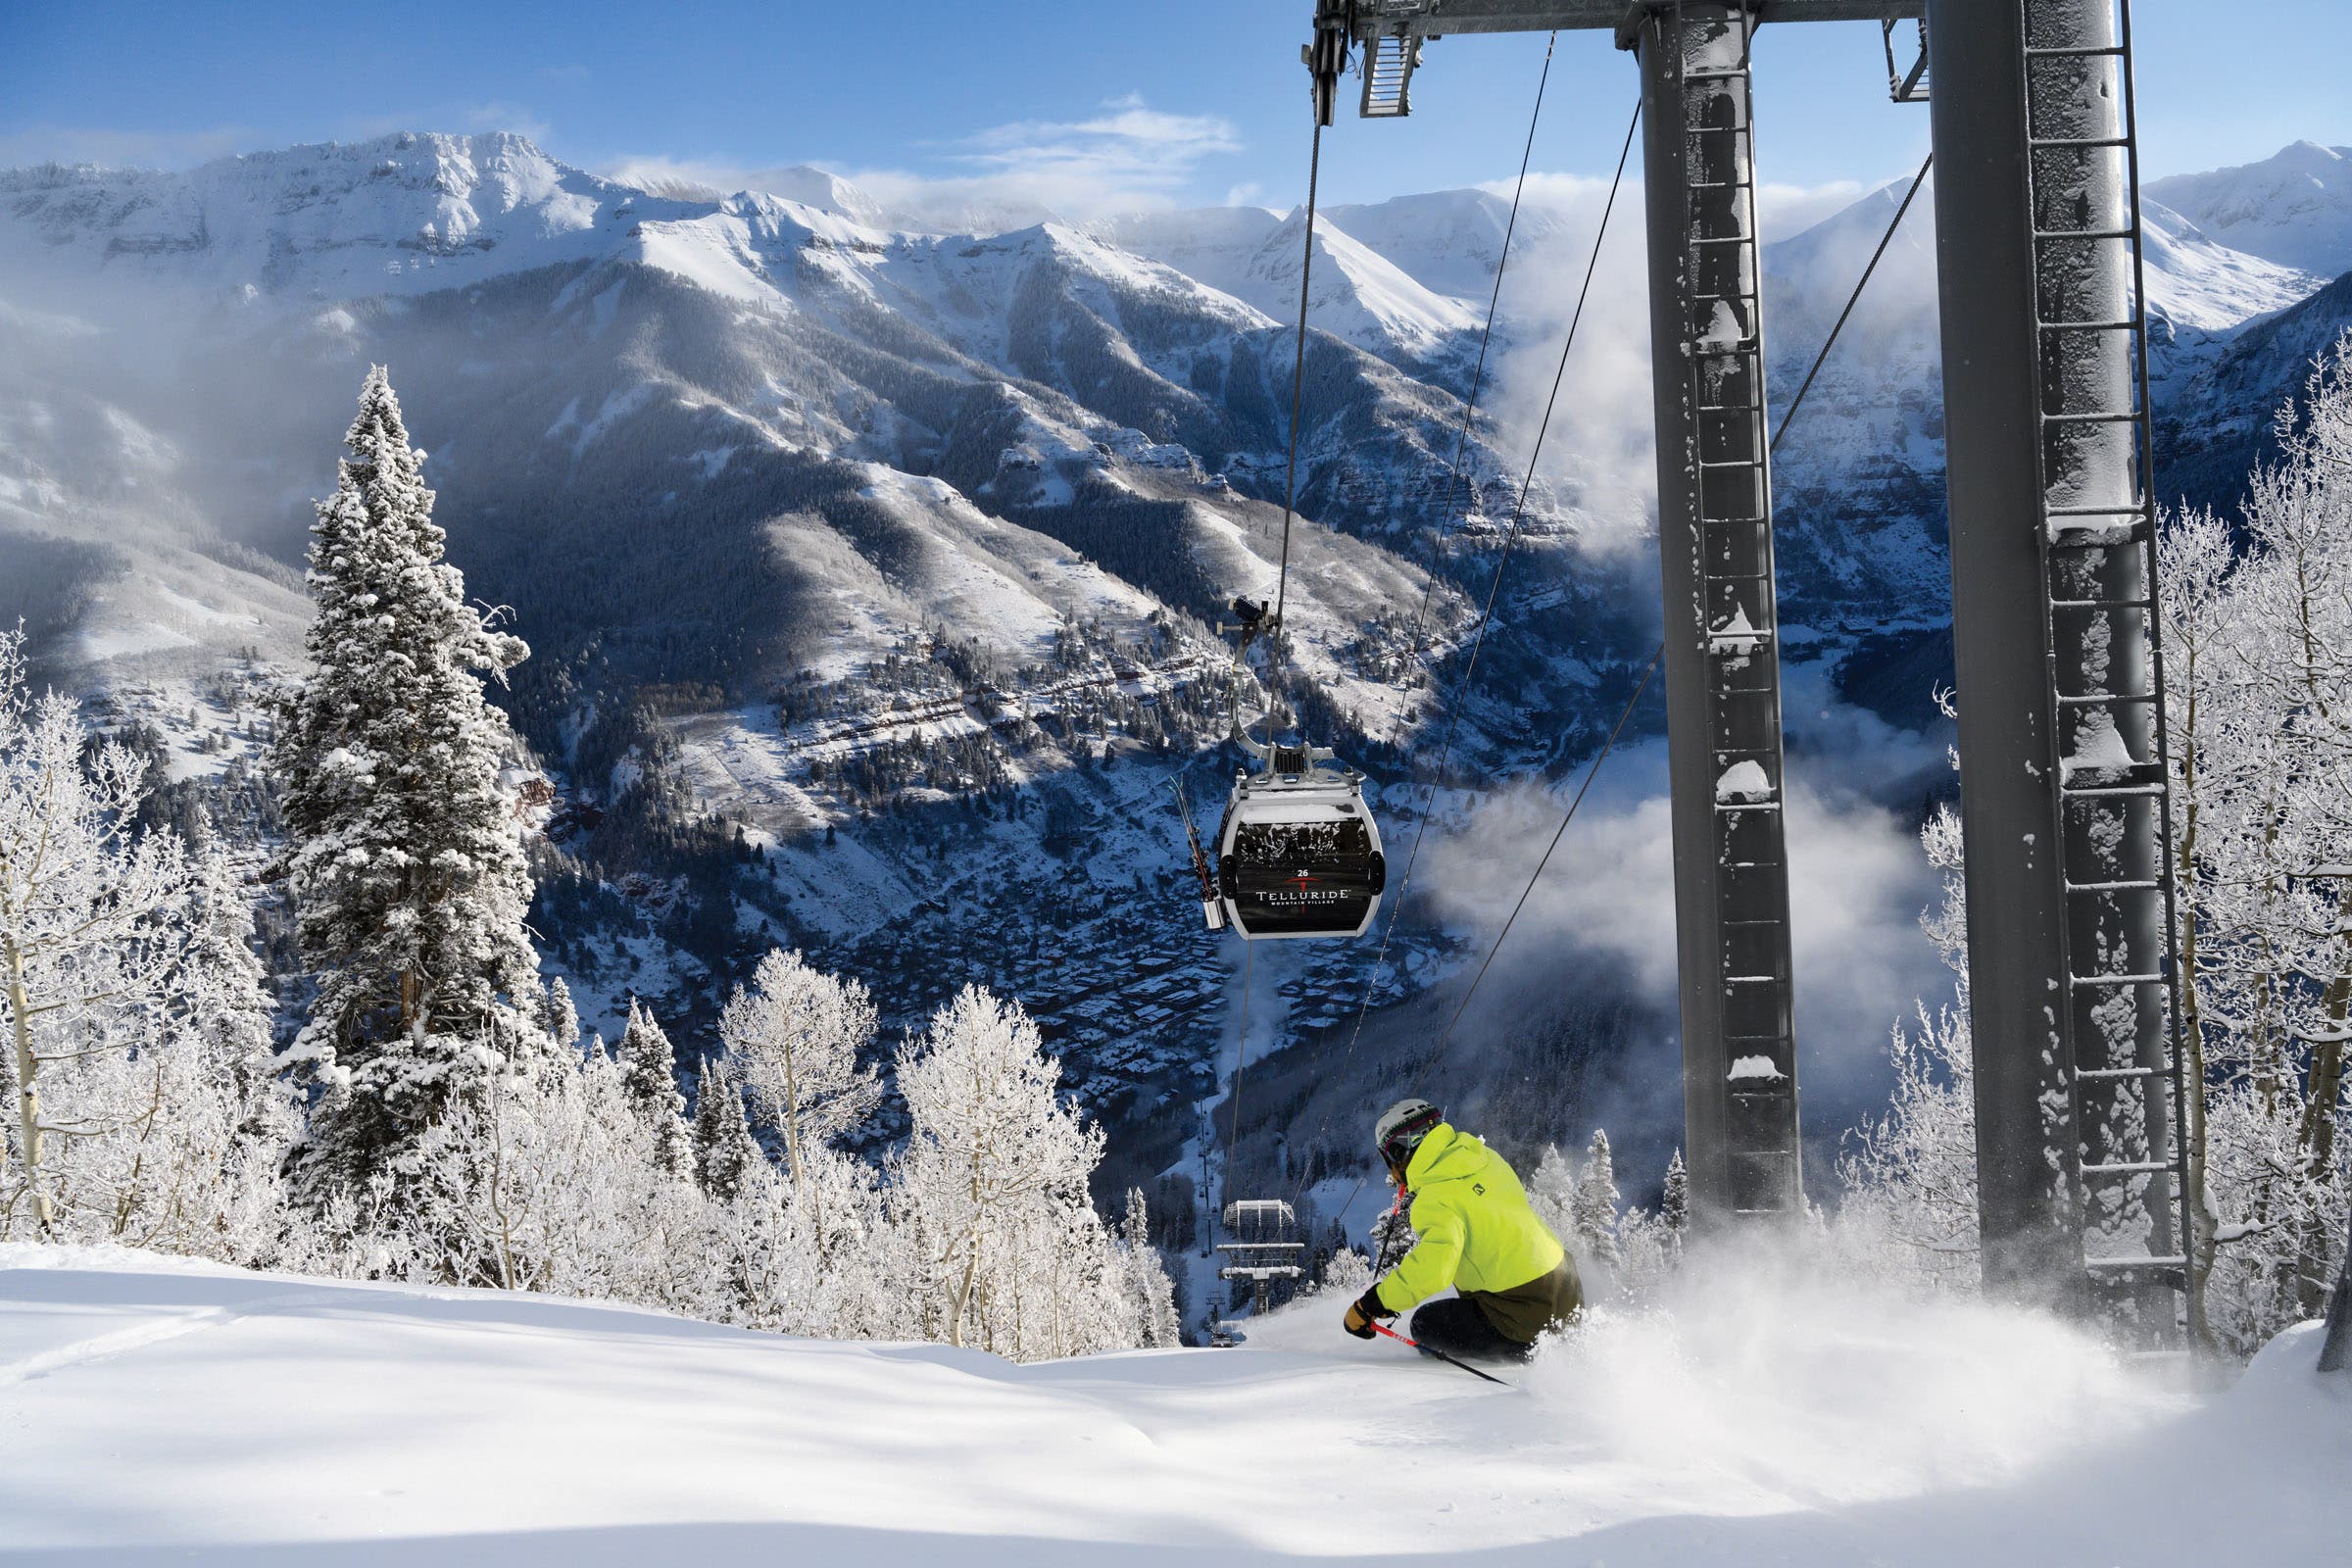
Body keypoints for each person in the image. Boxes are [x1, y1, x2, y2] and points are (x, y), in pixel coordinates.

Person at [1342, 1098, 1581, 1362]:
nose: (1394, 1174)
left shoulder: (1434, 1198)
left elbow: (1432, 1271)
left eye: (1389, 1159)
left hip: (1527, 1318)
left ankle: (1524, 1357)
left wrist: (1371, 1305)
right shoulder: (1485, 1158)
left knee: (1425, 1323)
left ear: (1402, 1152)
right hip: (1568, 1290)